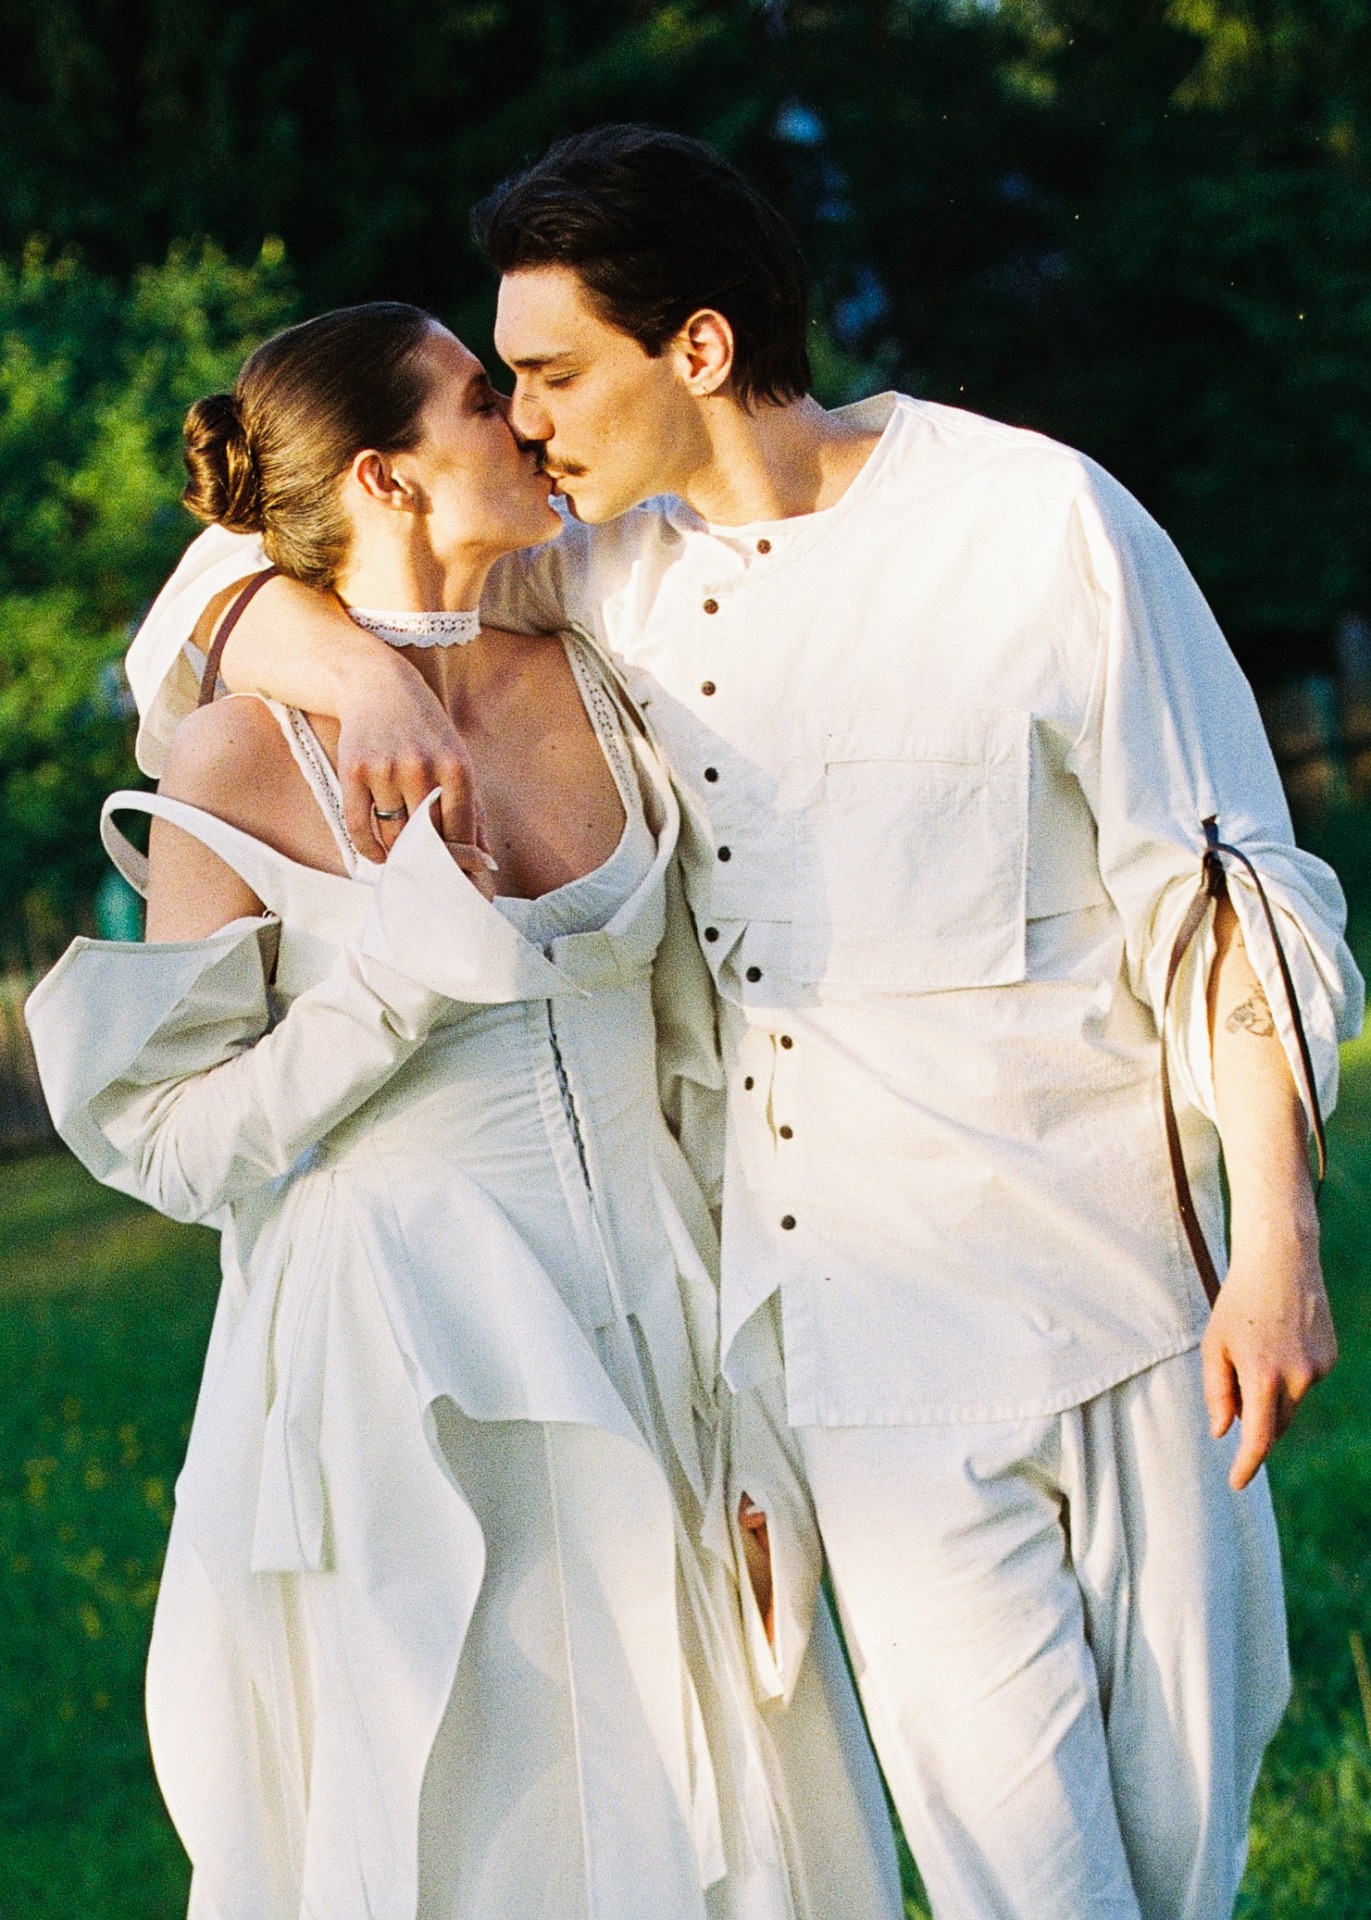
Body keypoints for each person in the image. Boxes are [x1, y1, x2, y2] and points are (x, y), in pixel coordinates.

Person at [122, 130, 1364, 1920]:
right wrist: (353, 665)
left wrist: (1276, 1252)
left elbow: (1222, 887)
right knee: (1032, 1891)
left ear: (697, 347)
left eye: (552, 376)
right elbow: (232, 586)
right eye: (503, 386)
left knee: (1186, 1867)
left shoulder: (1039, 522)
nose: (525, 424)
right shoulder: (596, 573)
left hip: (1131, 1307)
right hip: (862, 1371)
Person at [26, 301, 904, 1920]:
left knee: (712, 1800)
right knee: (484, 1818)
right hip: (408, 1359)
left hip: (656, 1316)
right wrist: (390, 984)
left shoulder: (602, 666)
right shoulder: (238, 751)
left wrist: (758, 1397)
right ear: (384, 475)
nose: (525, 420)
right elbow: (166, 1141)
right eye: (482, 399)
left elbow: (702, 1055)